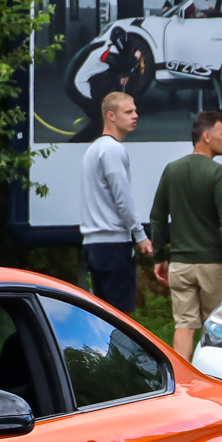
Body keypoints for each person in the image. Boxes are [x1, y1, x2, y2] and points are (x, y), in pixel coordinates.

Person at [151, 110, 222, 342]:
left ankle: (181, 378)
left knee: (183, 325)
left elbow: (158, 217)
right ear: (207, 137)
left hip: (180, 265)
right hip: (213, 264)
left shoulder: (172, 169)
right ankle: (211, 376)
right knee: (217, 327)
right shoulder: (219, 173)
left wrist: (160, 257)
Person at [79, 91, 152, 313]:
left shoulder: (93, 149)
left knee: (103, 316)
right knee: (121, 318)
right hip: (113, 244)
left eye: (135, 110)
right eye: (128, 111)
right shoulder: (112, 149)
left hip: (93, 244)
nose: (135, 115)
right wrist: (140, 236)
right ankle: (119, 350)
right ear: (111, 115)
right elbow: (122, 198)